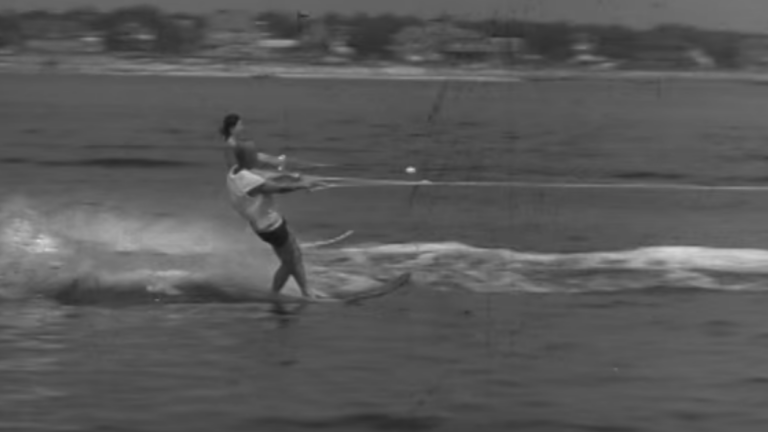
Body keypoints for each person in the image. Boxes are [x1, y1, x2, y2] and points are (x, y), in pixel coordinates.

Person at [219, 113, 327, 299]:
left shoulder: (235, 173)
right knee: (291, 261)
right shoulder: (248, 180)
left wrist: (293, 176)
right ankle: (280, 295)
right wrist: (303, 185)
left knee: (293, 257)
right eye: (254, 156)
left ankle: (304, 292)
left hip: (263, 226)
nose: (257, 158)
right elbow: (278, 188)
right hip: (272, 227)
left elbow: (267, 177)